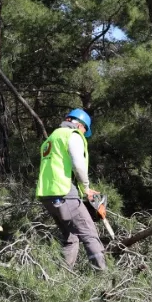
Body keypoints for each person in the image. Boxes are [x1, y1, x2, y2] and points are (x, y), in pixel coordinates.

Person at [36, 108, 107, 270]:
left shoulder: (51, 139)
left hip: (47, 195)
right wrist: (86, 189)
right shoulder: (73, 135)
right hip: (64, 192)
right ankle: (105, 276)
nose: (84, 133)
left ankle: (62, 280)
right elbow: (78, 164)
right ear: (80, 125)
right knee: (90, 234)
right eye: (85, 130)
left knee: (71, 237)